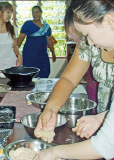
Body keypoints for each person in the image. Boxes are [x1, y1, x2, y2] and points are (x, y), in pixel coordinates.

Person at [33, 0, 114, 159]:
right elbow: (69, 78)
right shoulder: (93, 43)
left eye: (88, 34)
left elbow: (106, 145)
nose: (88, 42)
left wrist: (53, 152)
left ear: (110, 20)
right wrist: (50, 109)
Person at [17, 5, 56, 78]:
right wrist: (16, 52)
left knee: (45, 72)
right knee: (30, 74)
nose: (35, 14)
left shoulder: (47, 27)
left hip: (42, 55)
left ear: (41, 12)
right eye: (33, 13)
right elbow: (20, 39)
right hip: (29, 54)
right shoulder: (27, 24)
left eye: (37, 12)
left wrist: (53, 53)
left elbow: (49, 40)